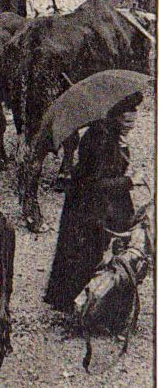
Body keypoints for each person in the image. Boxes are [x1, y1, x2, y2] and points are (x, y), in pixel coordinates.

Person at [44, 97, 140, 312]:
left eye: (133, 123)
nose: (130, 127)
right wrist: (129, 181)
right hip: (89, 208)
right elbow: (96, 183)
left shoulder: (110, 135)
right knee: (88, 257)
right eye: (126, 123)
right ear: (114, 117)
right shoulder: (99, 139)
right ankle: (88, 309)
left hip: (98, 204)